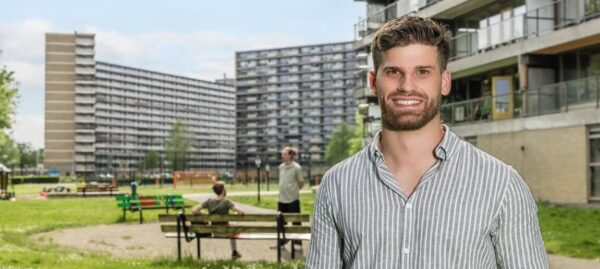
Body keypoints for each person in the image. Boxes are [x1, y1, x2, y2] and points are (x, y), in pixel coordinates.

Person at [307, 16, 549, 268]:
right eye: (393, 72)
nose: (407, 86)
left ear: (444, 81)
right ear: (373, 82)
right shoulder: (336, 185)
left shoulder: (501, 185)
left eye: (422, 72)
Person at [192, 181, 244, 260]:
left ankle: (234, 252)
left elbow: (194, 210)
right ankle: (234, 252)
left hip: (215, 232)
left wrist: (204, 214)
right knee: (235, 226)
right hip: (226, 233)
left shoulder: (209, 202)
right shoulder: (227, 202)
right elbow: (241, 212)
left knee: (232, 226)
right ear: (223, 191)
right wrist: (236, 215)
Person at [276, 146, 305, 251]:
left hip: (293, 199)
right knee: (281, 222)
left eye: (284, 154)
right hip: (281, 199)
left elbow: (301, 183)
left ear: (290, 155)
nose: (282, 156)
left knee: (296, 222)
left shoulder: (296, 168)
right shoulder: (281, 167)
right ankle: (281, 243)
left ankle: (298, 244)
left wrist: (293, 191)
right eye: (282, 154)